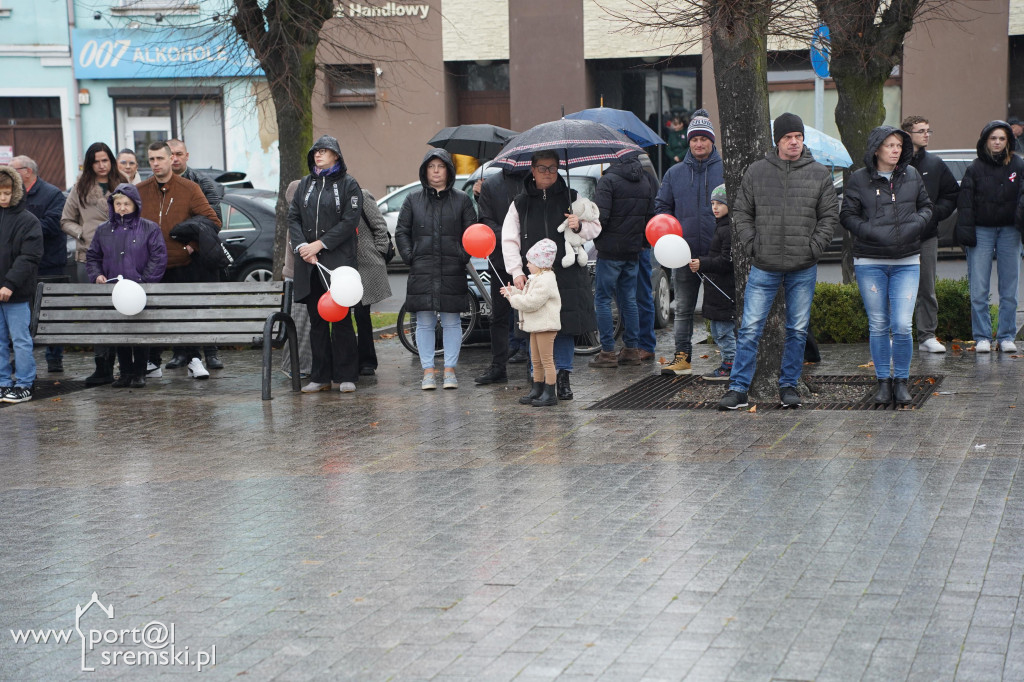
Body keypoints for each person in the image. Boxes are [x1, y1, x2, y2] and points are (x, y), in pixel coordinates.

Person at [719, 112, 839, 410]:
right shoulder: (757, 171)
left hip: (803, 265)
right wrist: (753, 246)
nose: (794, 142)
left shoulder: (819, 173)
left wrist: (814, 248)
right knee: (750, 329)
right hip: (764, 264)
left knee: (797, 330)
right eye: (788, 137)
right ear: (778, 141)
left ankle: (788, 387)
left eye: (798, 137)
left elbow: (829, 217)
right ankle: (737, 389)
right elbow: (742, 213)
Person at [841, 126, 933, 406]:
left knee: (902, 325)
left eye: (898, 146)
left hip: (907, 261)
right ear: (876, 149)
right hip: (870, 261)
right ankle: (883, 383)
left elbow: (927, 207)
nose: (895, 150)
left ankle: (902, 382)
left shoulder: (912, 175)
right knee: (879, 325)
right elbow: (847, 215)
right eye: (890, 145)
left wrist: (915, 225)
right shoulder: (858, 179)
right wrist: (870, 231)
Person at [502, 150, 601, 400]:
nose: (548, 173)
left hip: (567, 274)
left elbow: (595, 228)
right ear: (532, 169)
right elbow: (509, 240)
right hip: (534, 276)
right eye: (543, 168)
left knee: (565, 328)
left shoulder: (573, 197)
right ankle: (539, 381)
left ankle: (564, 378)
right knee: (535, 329)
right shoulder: (520, 203)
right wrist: (516, 272)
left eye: (553, 168)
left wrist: (579, 225)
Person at [137, 140, 221, 379]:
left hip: (183, 264)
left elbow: (212, 222)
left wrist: (192, 247)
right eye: (151, 159)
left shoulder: (190, 188)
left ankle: (194, 359)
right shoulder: (141, 190)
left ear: (170, 159)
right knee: (153, 313)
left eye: (160, 158)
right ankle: (152, 361)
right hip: (152, 266)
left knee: (186, 312)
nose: (156, 163)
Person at [287, 135, 362, 393]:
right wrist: (303, 248)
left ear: (336, 155)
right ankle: (320, 376)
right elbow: (293, 217)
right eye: (316, 151)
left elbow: (349, 222)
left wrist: (320, 244)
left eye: (324, 151)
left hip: (337, 263)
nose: (318, 155)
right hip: (309, 262)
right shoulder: (305, 184)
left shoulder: (349, 184)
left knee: (340, 319)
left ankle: (346, 375)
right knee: (316, 321)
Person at [396, 149, 476, 390]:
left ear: (449, 170)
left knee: (452, 321)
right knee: (424, 321)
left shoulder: (462, 199)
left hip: (452, 267)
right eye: (431, 167)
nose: (436, 171)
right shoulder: (413, 199)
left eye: (441, 166)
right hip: (422, 268)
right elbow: (401, 232)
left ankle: (450, 370)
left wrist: (462, 256)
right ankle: (428, 370)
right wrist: (410, 256)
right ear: (425, 170)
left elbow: (471, 232)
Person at [654, 108, 724, 375]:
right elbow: (662, 207)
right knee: (682, 309)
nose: (698, 143)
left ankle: (730, 358)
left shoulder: (725, 170)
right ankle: (682, 358)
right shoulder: (674, 174)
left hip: (718, 255)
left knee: (723, 310)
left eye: (703, 138)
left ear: (712, 140)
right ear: (688, 140)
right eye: (694, 139)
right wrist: (669, 229)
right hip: (682, 255)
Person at [85, 183, 167, 388]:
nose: (122, 207)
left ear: (135, 205)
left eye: (126, 204)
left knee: (140, 331)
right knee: (119, 331)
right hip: (115, 289)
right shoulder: (104, 230)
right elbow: (93, 256)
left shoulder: (150, 228)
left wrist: (144, 281)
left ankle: (139, 372)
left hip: (140, 289)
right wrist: (97, 275)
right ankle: (125, 373)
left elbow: (158, 257)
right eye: (118, 203)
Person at [60, 142, 129, 385]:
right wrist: (84, 233)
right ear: (90, 164)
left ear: (111, 161)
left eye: (105, 160)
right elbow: (66, 220)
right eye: (96, 161)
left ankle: (126, 366)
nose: (101, 165)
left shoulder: (124, 183)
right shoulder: (80, 188)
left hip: (121, 255)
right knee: (98, 313)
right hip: (89, 257)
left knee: (121, 310)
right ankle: (102, 367)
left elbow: (138, 214)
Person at [955, 120, 1024, 353]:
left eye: (1001, 138)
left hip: (1010, 231)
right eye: (993, 138)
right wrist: (965, 234)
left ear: (1008, 141)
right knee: (979, 288)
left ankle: (1006, 336)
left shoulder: (1019, 165)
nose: (997, 142)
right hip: (981, 231)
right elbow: (965, 205)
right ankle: (982, 336)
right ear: (985, 140)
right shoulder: (974, 168)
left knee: (1010, 288)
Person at [589, 153, 657, 369]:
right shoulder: (645, 180)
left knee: (602, 299)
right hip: (633, 251)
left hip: (610, 252)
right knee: (629, 300)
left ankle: (607, 351)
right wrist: (642, 242)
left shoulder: (608, 181)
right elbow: (650, 216)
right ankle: (631, 349)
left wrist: (595, 236)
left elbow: (601, 218)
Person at [900, 115, 960, 354]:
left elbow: (952, 194)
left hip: (927, 235)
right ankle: (898, 334)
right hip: (898, 236)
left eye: (928, 130)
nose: (926, 134)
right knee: (899, 288)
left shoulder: (935, 164)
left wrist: (935, 214)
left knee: (927, 287)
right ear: (907, 135)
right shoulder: (896, 163)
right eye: (921, 130)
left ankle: (926, 335)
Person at [168, 138, 225, 369]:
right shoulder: (160, 185)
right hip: (173, 256)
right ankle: (182, 353)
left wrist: (193, 243)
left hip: (201, 255)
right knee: (177, 305)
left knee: (205, 305)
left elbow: (215, 220)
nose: (175, 158)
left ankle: (211, 352)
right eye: (170, 154)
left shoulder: (202, 182)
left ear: (187, 155)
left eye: (179, 154)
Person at [10, 155, 67, 372]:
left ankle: (55, 358)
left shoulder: (52, 194)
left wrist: (21, 232)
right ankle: (25, 357)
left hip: (50, 264)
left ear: (27, 171)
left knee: (52, 314)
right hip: (23, 265)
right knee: (25, 313)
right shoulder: (14, 195)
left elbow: (53, 225)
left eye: (11, 169)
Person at [474, 167, 528, 385]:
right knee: (499, 315)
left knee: (530, 311)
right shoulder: (491, 185)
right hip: (499, 259)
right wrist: (509, 236)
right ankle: (498, 366)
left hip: (530, 259)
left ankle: (535, 364)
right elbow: (485, 220)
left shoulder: (531, 181)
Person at [0, 165, 43, 404]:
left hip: (16, 294)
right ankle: (3, 382)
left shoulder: (28, 221)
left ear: (15, 191)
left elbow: (29, 257)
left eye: (7, 193)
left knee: (20, 340)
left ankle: (25, 382)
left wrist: (9, 284)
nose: (3, 198)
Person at [502, 238, 561, 407]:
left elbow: (532, 301)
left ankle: (550, 393)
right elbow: (526, 292)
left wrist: (512, 298)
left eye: (530, 261)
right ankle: (537, 389)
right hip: (536, 326)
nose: (527, 265)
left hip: (546, 326)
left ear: (540, 263)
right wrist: (512, 290)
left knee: (546, 360)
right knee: (536, 360)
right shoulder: (536, 277)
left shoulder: (546, 279)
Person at [691, 184, 736, 381]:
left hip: (724, 289)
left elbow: (727, 261)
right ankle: (729, 363)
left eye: (720, 203)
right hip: (717, 288)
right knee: (718, 330)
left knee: (724, 331)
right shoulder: (721, 226)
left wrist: (703, 263)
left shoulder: (728, 229)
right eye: (712, 203)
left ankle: (731, 365)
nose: (715, 207)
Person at [354, 188, 392, 375]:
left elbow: (379, 226)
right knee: (342, 316)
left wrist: (379, 251)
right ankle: (347, 361)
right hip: (341, 263)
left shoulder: (361, 195)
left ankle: (367, 362)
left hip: (365, 264)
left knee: (361, 314)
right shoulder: (330, 197)